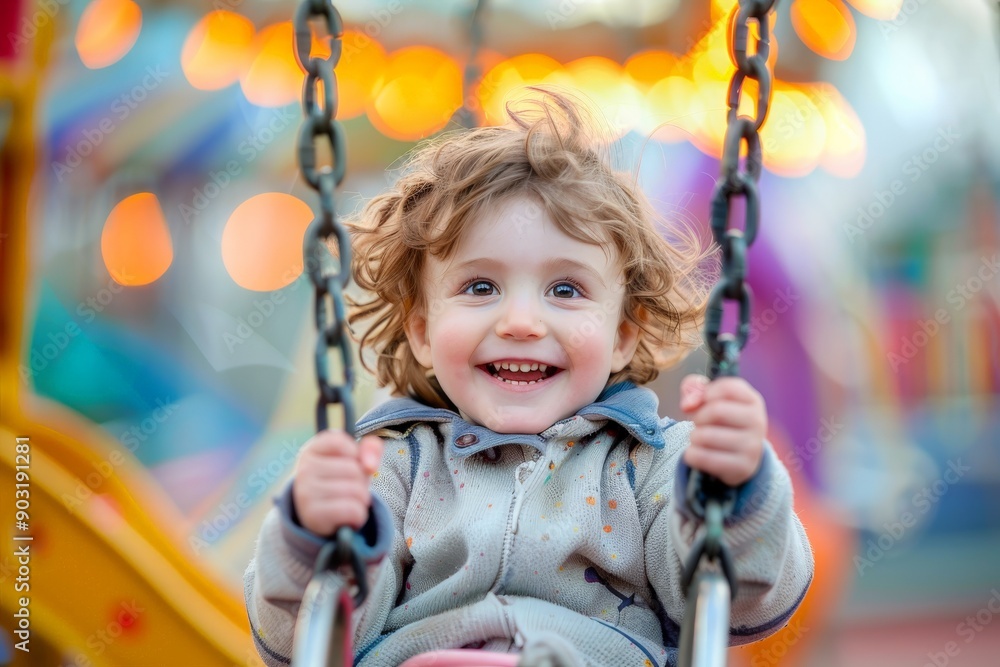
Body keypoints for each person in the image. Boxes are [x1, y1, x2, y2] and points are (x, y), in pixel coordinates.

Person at [245, 89, 813, 667]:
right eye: (480, 287)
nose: (520, 322)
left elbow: (744, 605)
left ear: (622, 333)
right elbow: (298, 641)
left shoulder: (653, 467)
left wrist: (736, 490)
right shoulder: (393, 469)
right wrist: (309, 535)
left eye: (565, 290)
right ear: (421, 330)